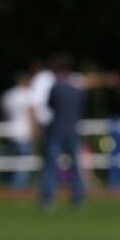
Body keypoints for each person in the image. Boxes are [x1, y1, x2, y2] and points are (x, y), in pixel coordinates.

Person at [38, 57, 85, 209]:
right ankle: (78, 198)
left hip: (56, 130)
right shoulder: (77, 91)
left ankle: (47, 199)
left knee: (50, 166)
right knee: (75, 167)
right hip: (72, 131)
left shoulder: (56, 89)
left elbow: (50, 105)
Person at [0, 72, 34, 189]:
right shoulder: (27, 95)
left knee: (12, 160)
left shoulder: (7, 95)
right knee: (23, 160)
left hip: (9, 131)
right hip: (23, 132)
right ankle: (18, 186)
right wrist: (34, 130)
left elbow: (3, 114)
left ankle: (12, 184)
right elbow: (31, 114)